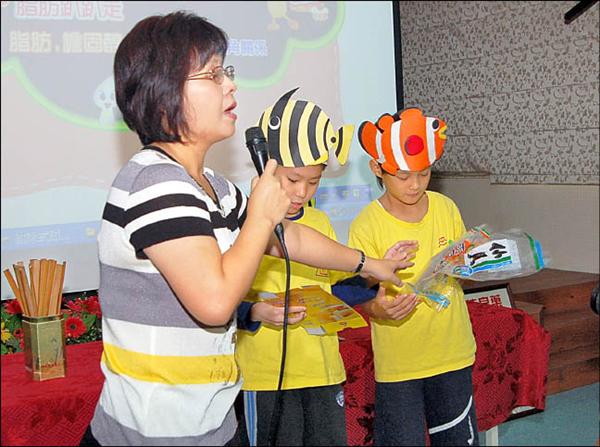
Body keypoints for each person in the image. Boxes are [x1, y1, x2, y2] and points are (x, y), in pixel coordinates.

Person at [81, 12, 415, 446]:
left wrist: (371, 265)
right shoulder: (154, 183)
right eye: (213, 75)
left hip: (210, 426)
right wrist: (259, 217)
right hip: (153, 435)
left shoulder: (212, 186)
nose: (231, 85)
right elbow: (216, 303)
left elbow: (287, 238)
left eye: (227, 72)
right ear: (163, 96)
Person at [234, 88, 419, 446]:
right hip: (266, 376)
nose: (302, 191)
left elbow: (335, 290)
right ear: (265, 168)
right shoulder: (243, 222)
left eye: (313, 181)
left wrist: (372, 275)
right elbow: (220, 297)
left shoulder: (320, 223)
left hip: (322, 370)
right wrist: (256, 310)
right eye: (292, 180)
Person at [348, 108, 479, 446]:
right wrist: (382, 311)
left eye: (423, 174)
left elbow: (461, 272)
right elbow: (365, 300)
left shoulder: (445, 208)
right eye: (403, 175)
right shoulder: (367, 225)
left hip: (452, 353)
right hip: (400, 364)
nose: (415, 184)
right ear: (378, 168)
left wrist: (474, 263)